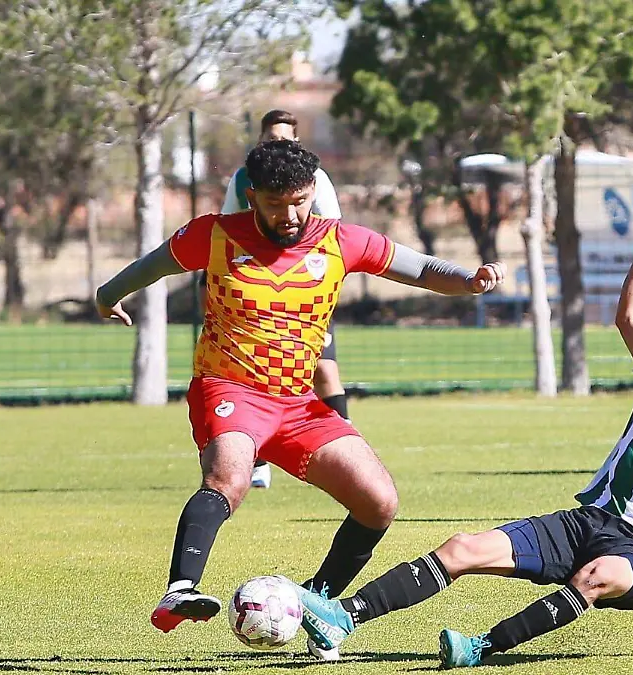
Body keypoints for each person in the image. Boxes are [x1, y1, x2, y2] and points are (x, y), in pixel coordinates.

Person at [293, 181, 633, 669]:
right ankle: (344, 615)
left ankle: (480, 648)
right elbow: (628, 313)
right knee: (461, 549)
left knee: (594, 579)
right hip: (585, 521)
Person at [95, 140, 506, 660]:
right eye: (275, 203)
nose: (290, 214)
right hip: (229, 386)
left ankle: (319, 603)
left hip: (298, 402)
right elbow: (151, 267)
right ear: (252, 196)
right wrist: (107, 297)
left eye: (300, 200)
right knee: (229, 478)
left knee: (379, 501)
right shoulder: (216, 234)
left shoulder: (342, 241)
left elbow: (420, 268)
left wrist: (470, 280)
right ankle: (180, 591)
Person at [222, 109, 350, 490]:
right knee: (255, 375)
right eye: (270, 138)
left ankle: (345, 446)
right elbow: (227, 229)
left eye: (285, 138)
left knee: (325, 370)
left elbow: (334, 231)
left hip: (305, 289)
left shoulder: (316, 178)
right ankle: (257, 461)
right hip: (256, 293)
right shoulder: (244, 178)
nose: (277, 144)